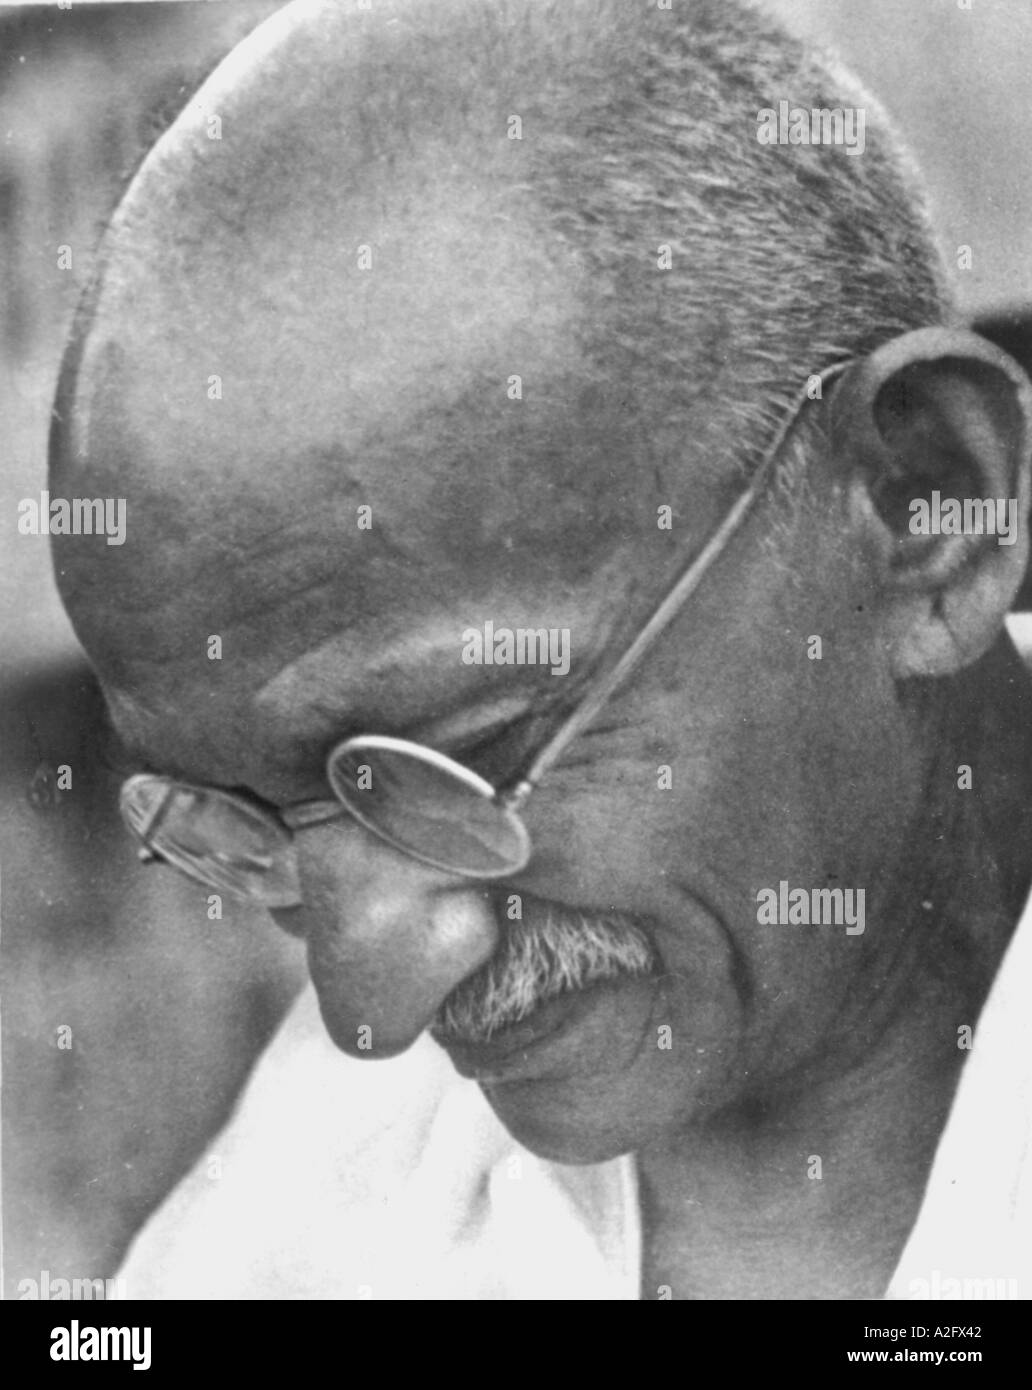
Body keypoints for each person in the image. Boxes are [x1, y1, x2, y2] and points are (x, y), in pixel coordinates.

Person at [44, 0, 1032, 1299]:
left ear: (921, 514)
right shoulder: (311, 1212)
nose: (368, 997)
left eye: (464, 762)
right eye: (248, 836)